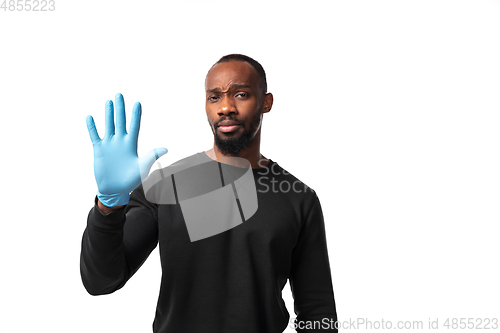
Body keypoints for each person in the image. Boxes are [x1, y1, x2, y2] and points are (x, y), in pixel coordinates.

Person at [81, 54, 338, 332]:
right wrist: (108, 207)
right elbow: (101, 281)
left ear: (266, 102)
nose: (226, 107)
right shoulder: (166, 186)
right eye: (214, 97)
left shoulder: (299, 198)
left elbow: (317, 311)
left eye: (240, 94)